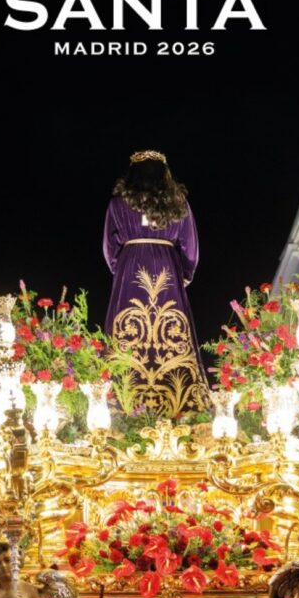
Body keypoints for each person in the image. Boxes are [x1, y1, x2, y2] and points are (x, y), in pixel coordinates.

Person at [103, 150, 209, 417]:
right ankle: (179, 404)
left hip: (131, 269)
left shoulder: (118, 204)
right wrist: (185, 273)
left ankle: (122, 403)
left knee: (127, 328)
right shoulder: (178, 204)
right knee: (171, 327)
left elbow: (109, 246)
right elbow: (190, 245)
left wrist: (121, 271)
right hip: (167, 269)